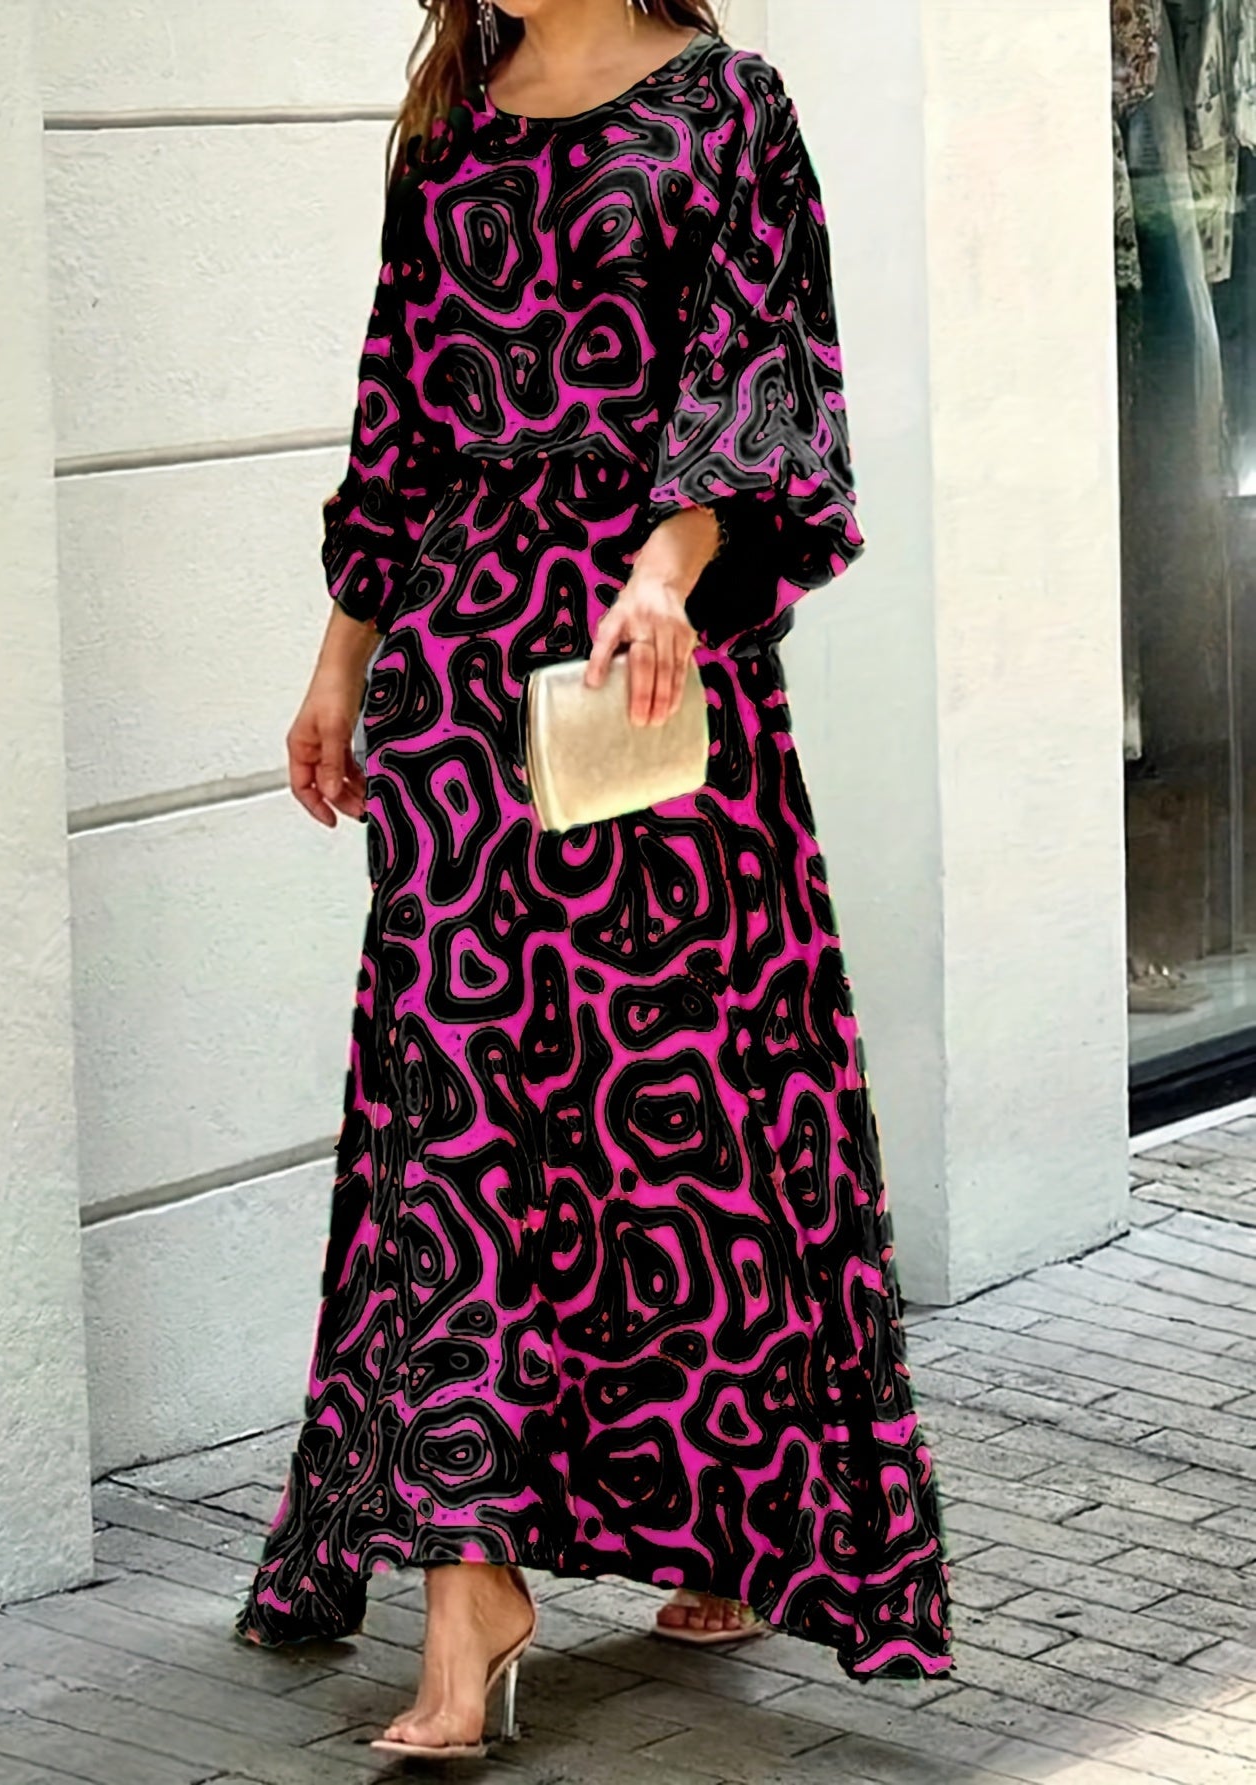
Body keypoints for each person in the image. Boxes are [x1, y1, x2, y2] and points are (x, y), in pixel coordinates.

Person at [232, 0, 953, 1757]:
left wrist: (661, 570)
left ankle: (725, 1514)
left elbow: (759, 373)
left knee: (693, 1105)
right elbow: (395, 418)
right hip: (457, 671)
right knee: (457, 1114)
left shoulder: (729, 106)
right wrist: (337, 667)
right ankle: (467, 1589)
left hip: (646, 668)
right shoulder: (452, 121)